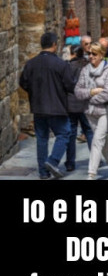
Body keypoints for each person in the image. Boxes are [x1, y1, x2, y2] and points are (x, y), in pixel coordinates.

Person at [19, 31, 75, 180]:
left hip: (38, 107)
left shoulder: (31, 64)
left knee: (42, 139)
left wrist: (35, 93)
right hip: (57, 107)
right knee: (64, 134)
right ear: (54, 45)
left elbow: (23, 82)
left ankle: (43, 172)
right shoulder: (61, 64)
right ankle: (53, 160)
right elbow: (70, 85)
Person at [74, 42, 108, 180]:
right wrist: (92, 91)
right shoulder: (85, 70)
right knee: (103, 142)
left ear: (101, 55)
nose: (91, 56)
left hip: (105, 111)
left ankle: (91, 173)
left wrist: (89, 98)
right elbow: (77, 91)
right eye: (89, 54)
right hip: (90, 112)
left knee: (96, 140)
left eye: (94, 54)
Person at [65, 44, 94, 173]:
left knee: (71, 133)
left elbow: (66, 85)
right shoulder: (89, 65)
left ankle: (70, 163)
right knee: (89, 131)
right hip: (86, 102)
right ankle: (95, 159)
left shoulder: (68, 67)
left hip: (71, 104)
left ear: (74, 54)